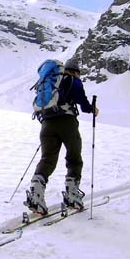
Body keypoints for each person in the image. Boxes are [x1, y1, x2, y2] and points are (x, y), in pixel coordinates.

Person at [25, 58, 99, 214]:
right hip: (67, 123)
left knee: (47, 159)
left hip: (46, 124)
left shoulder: (51, 83)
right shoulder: (73, 81)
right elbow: (83, 105)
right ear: (76, 72)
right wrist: (93, 109)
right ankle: (72, 195)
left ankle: (35, 195)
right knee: (74, 157)